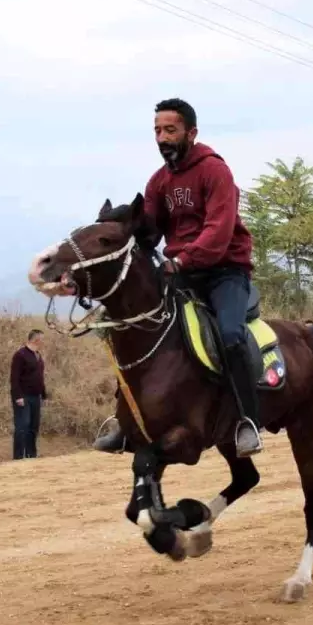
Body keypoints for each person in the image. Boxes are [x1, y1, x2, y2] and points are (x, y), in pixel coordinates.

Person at [93, 97, 263, 457]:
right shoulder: (158, 181)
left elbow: (218, 233)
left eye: (170, 130)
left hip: (223, 272)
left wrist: (182, 260)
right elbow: (150, 232)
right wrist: (114, 232)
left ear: (191, 132)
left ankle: (248, 421)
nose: (162, 137)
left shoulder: (215, 171)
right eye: (157, 131)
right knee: (131, 330)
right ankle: (126, 421)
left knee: (231, 335)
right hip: (180, 272)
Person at [10, 329, 46, 459]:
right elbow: (14, 378)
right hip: (23, 396)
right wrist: (18, 396)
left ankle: (31, 455)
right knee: (22, 426)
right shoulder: (20, 355)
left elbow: (40, 376)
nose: (43, 342)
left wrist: (43, 394)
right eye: (42, 339)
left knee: (33, 427)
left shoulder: (38, 355)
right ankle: (18, 456)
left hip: (36, 396)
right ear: (36, 340)